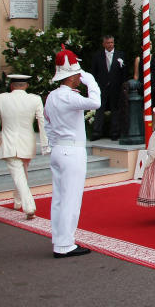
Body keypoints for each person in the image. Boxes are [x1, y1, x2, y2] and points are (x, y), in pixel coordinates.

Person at [44, 46, 101, 258]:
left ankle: (60, 239)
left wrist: (54, 143)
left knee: (59, 198)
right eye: (77, 74)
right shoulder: (68, 97)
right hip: (72, 151)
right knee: (70, 198)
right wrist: (91, 81)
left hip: (59, 148)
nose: (79, 77)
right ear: (71, 77)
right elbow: (95, 102)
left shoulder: (51, 96)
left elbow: (47, 124)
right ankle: (65, 244)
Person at [0, 74, 48, 221]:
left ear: (11, 85)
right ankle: (18, 202)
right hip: (27, 142)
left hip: (9, 142)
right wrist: (45, 144)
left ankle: (29, 206)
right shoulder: (35, 99)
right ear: (26, 85)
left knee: (20, 175)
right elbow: (43, 122)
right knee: (21, 173)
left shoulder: (1, 99)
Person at [89, 35, 125, 141]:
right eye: (107, 43)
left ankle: (115, 132)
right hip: (102, 87)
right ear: (103, 44)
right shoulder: (97, 56)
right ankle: (96, 132)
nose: (110, 45)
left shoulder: (120, 55)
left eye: (111, 42)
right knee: (99, 109)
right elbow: (94, 72)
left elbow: (123, 72)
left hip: (115, 87)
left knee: (115, 110)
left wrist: (122, 86)